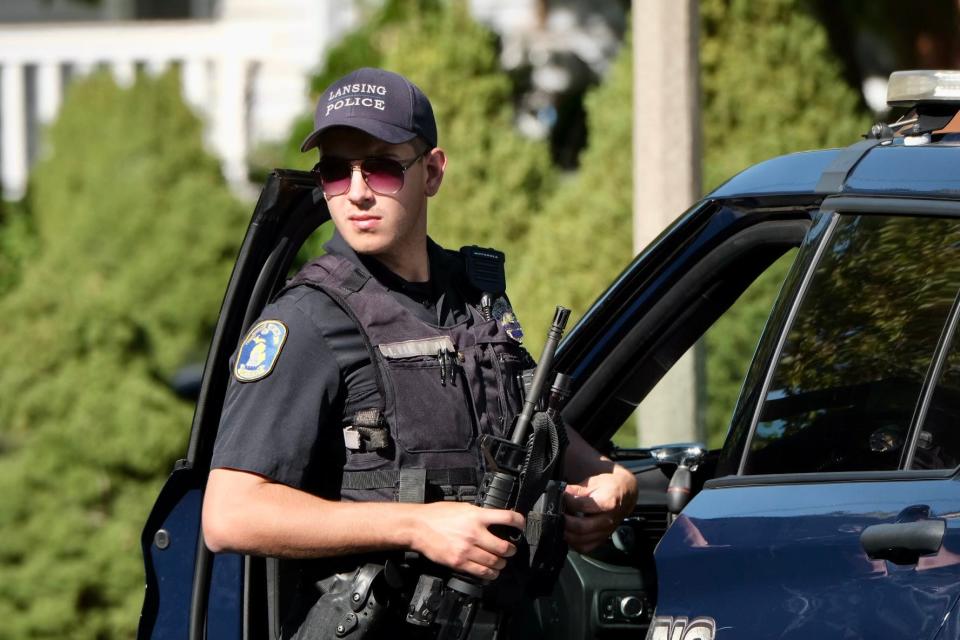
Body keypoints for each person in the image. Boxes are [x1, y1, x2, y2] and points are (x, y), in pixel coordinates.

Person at [202, 67, 638, 638]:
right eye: (336, 172)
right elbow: (230, 514)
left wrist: (609, 480)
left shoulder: (474, 298)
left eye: (381, 167)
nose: (357, 191)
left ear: (431, 171)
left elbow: (530, 424)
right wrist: (415, 526)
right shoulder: (307, 320)